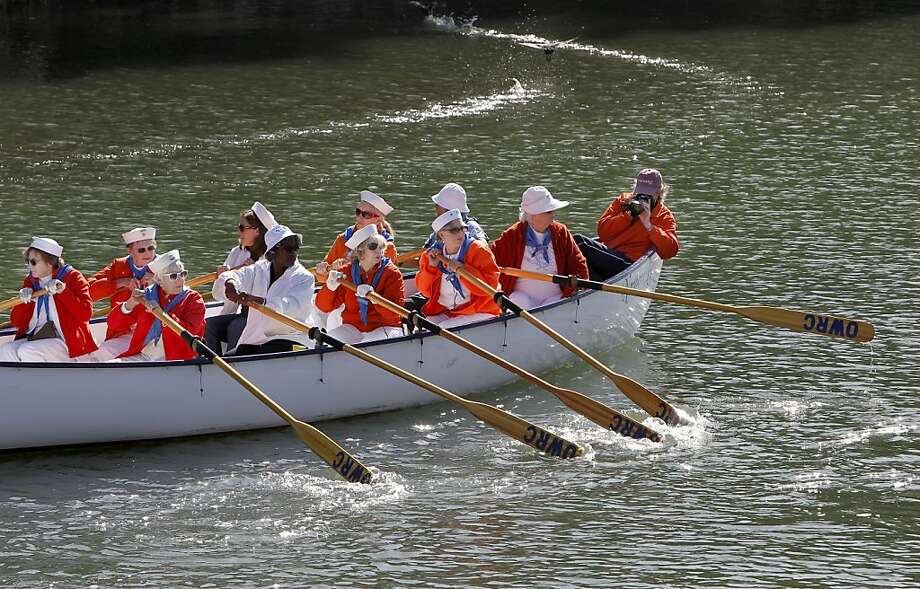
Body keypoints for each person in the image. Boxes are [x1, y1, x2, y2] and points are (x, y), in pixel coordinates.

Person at [212, 224, 315, 355]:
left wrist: (261, 301)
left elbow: (292, 307)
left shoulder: (305, 277)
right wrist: (230, 283)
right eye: (288, 248)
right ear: (272, 252)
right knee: (227, 359)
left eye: (296, 247)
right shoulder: (259, 269)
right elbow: (233, 276)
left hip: (291, 338)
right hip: (255, 340)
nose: (293, 252)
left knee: (257, 355)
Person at [0, 237, 98, 362]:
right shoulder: (30, 281)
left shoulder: (73, 277)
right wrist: (24, 301)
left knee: (27, 351)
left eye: (33, 262)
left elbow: (85, 314)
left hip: (67, 340)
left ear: (49, 262)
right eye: (27, 261)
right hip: (38, 336)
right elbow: (17, 321)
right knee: (5, 350)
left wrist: (63, 292)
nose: (29, 266)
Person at [492, 186, 589, 309]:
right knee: (518, 302)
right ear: (533, 215)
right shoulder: (511, 236)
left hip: (556, 298)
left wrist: (576, 285)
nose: (553, 214)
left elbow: (579, 263)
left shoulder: (561, 232)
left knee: (557, 306)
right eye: (549, 211)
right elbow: (491, 267)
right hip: (522, 299)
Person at [574, 168, 679, 281]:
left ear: (659, 193)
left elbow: (670, 251)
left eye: (648, 194)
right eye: (640, 192)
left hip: (630, 264)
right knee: (571, 243)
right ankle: (576, 283)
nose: (643, 197)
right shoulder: (623, 201)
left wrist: (648, 225)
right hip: (609, 253)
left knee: (580, 242)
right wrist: (627, 216)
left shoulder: (664, 215)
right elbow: (602, 232)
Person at [106, 249, 206, 362]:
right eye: (173, 276)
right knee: (109, 366)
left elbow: (191, 333)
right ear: (159, 279)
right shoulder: (147, 296)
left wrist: (162, 313)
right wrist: (130, 304)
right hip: (143, 356)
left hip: (176, 360)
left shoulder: (194, 299)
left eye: (183, 274)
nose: (180, 280)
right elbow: (113, 324)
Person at [204, 202, 276, 354]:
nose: (239, 231)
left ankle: (234, 363)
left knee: (235, 327)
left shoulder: (272, 259)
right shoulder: (237, 253)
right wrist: (223, 278)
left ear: (257, 230)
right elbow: (218, 295)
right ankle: (211, 363)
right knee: (208, 325)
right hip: (242, 313)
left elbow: (266, 295)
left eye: (242, 227)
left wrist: (248, 272)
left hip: (262, 316)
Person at [317, 224, 406, 344]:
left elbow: (395, 314)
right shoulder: (346, 272)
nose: (379, 251)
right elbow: (323, 307)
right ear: (360, 250)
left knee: (369, 344)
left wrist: (375, 299)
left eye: (382, 246)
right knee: (328, 343)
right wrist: (329, 288)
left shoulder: (392, 273)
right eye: (373, 246)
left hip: (386, 326)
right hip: (353, 327)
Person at [416, 209, 502, 328]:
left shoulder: (479, 250)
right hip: (448, 312)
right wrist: (431, 267)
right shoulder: (431, 255)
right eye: (454, 230)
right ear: (441, 235)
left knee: (443, 328)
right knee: (423, 327)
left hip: (479, 310)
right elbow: (425, 292)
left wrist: (463, 269)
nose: (461, 233)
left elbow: (489, 288)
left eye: (463, 228)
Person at [88, 226, 159, 360]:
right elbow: (88, 292)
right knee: (99, 353)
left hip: (155, 331)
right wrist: (119, 282)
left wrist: (159, 282)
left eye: (151, 248)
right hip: (122, 331)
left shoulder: (165, 265)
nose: (148, 253)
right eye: (142, 250)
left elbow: (182, 294)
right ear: (130, 251)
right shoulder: (118, 266)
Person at [315, 190, 398, 277]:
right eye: (358, 212)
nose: (359, 218)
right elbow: (322, 277)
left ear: (378, 220)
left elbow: (372, 277)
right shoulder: (343, 239)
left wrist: (343, 267)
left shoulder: (387, 248)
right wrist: (322, 271)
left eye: (366, 215)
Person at [422, 183, 488, 248]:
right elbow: (424, 250)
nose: (436, 208)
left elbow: (483, 248)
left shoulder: (471, 227)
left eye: (437, 205)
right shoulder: (439, 230)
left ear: (448, 210)